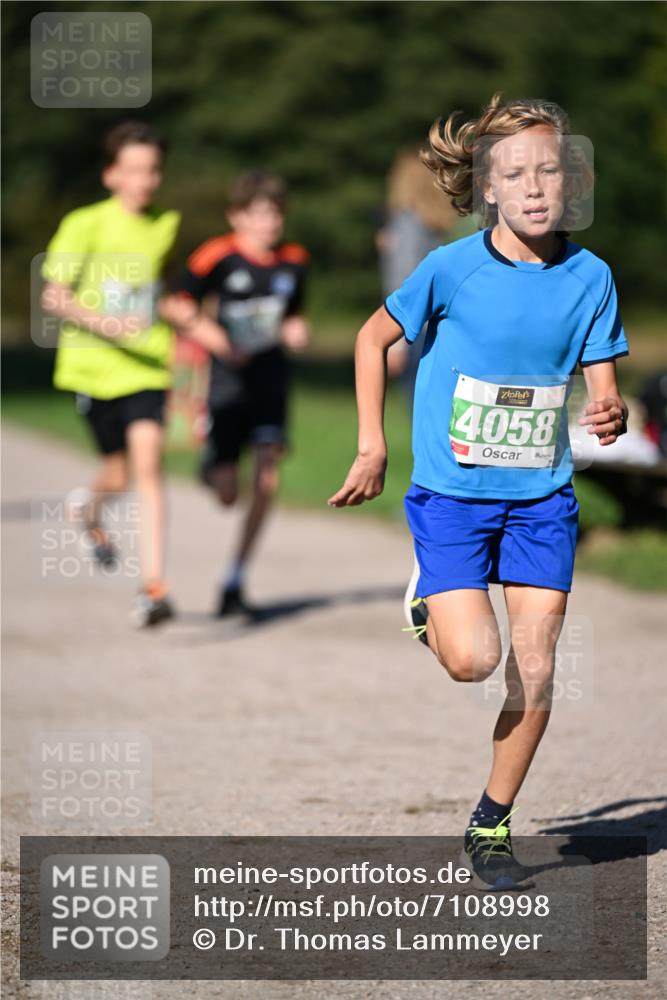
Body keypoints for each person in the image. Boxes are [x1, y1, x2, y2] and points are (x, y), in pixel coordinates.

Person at [329, 93, 629, 889]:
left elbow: (600, 375)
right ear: (486, 187)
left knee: (533, 667)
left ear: (570, 182)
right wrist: (371, 443)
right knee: (473, 662)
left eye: (548, 171)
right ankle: (426, 604)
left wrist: (606, 405)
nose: (534, 187)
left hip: (541, 498)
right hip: (454, 495)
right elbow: (371, 337)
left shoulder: (590, 276)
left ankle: (490, 823)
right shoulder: (449, 267)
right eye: (514, 174)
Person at [42, 121, 229, 626]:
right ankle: (87, 512)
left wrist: (206, 331)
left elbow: (166, 294)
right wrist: (107, 324)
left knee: (148, 467)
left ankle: (153, 588)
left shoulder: (164, 224)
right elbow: (53, 296)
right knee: (117, 473)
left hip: (148, 367)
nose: (146, 180)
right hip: (92, 370)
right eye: (135, 171)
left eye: (153, 170)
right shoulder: (84, 224)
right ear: (111, 175)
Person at [164, 171, 309, 616]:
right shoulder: (217, 256)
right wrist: (214, 337)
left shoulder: (295, 260)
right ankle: (212, 466)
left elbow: (294, 314)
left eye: (274, 215)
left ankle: (235, 578)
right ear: (237, 217)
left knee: (267, 477)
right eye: (258, 215)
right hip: (226, 383)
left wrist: (295, 329)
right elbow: (174, 304)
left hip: (270, 380)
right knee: (228, 492)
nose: (268, 224)